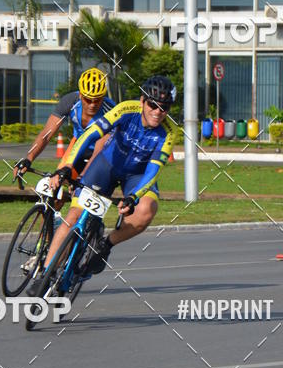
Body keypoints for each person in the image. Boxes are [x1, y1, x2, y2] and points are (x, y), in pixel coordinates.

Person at [31, 74, 176, 285]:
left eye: (164, 108)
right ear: (142, 101)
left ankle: (105, 245)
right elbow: (89, 135)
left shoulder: (169, 132)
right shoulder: (126, 109)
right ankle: (45, 273)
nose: (157, 112)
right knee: (74, 216)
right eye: (153, 105)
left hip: (137, 175)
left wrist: (134, 197)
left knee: (147, 210)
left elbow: (153, 171)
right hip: (107, 164)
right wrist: (69, 165)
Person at [13, 67, 114, 181]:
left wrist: (81, 178)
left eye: (97, 100)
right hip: (78, 146)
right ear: (80, 95)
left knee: (85, 185)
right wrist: (29, 158)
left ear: (103, 97)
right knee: (57, 181)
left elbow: (99, 150)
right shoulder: (70, 101)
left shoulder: (110, 111)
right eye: (88, 100)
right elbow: (47, 134)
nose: (92, 104)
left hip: (102, 151)